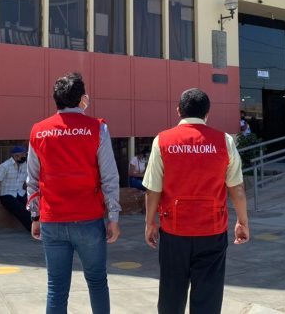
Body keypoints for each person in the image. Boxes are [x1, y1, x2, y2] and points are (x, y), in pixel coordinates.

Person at [143, 88, 249, 314]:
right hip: (212, 230)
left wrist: (150, 222)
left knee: (171, 294)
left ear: (178, 110)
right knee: (208, 298)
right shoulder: (224, 141)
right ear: (207, 113)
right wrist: (242, 221)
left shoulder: (162, 140)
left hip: (173, 231)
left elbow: (153, 190)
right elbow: (237, 188)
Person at [26, 72, 121, 314]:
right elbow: (109, 176)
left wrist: (35, 217)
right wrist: (114, 218)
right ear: (82, 99)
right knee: (97, 282)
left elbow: (32, 179)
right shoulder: (97, 128)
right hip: (88, 219)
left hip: (52, 219)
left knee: (56, 288)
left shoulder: (39, 131)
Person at [0, 145, 31, 231]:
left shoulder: (24, 164)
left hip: (20, 192)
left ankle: (41, 227)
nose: (25, 156)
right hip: (6, 194)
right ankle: (33, 230)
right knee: (21, 210)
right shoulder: (4, 166)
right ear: (16, 156)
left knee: (32, 207)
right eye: (23, 155)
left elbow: (24, 181)